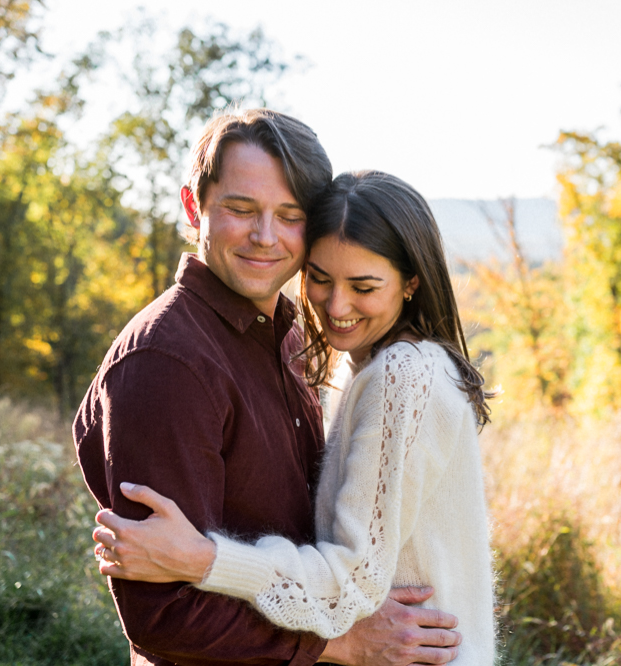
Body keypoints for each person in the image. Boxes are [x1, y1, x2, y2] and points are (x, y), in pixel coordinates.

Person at [74, 110, 462, 666]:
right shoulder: (167, 363)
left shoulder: (290, 335)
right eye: (240, 209)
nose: (265, 237)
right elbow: (162, 617)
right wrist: (340, 643)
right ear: (193, 207)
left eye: (290, 215)